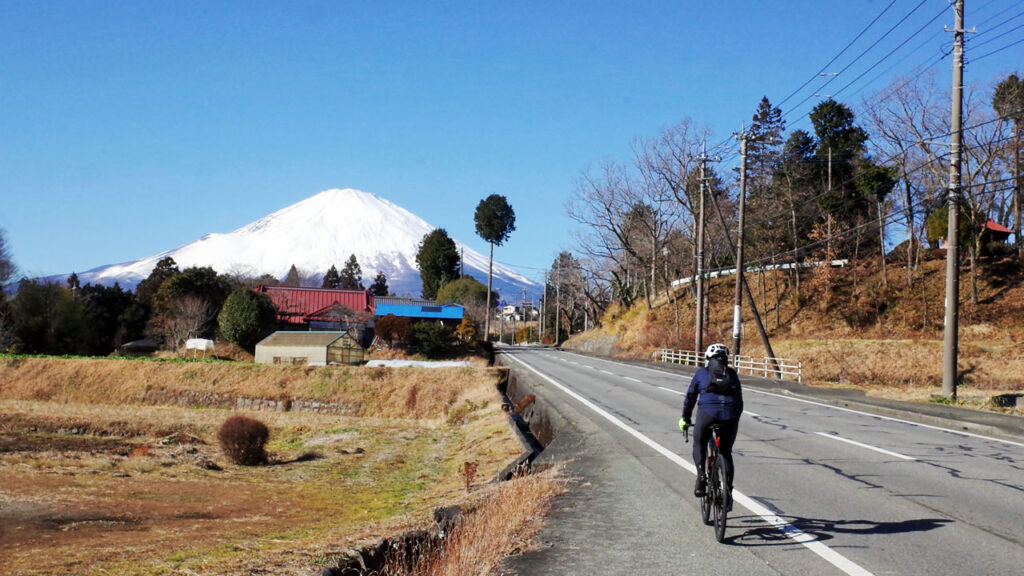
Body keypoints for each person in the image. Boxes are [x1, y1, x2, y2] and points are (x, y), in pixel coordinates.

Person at [678, 343, 743, 501]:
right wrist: (734, 418)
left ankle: (701, 477)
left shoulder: (702, 372)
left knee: (699, 443)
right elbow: (740, 401)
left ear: (707, 358)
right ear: (726, 359)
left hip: (707, 414)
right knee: (726, 452)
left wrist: (685, 418)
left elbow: (690, 398)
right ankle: (728, 491)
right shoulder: (732, 374)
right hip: (730, 415)